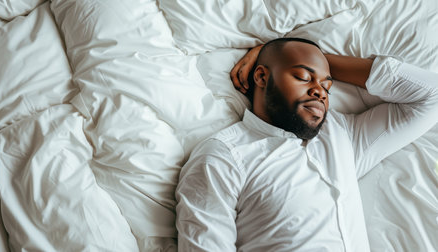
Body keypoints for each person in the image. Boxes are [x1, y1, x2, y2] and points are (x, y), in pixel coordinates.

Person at [175, 38, 438, 251]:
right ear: (262, 77)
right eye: (303, 76)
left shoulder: (342, 137)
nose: (321, 91)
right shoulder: (223, 156)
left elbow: (431, 95)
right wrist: (277, 54)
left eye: (327, 85)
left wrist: (318, 61)